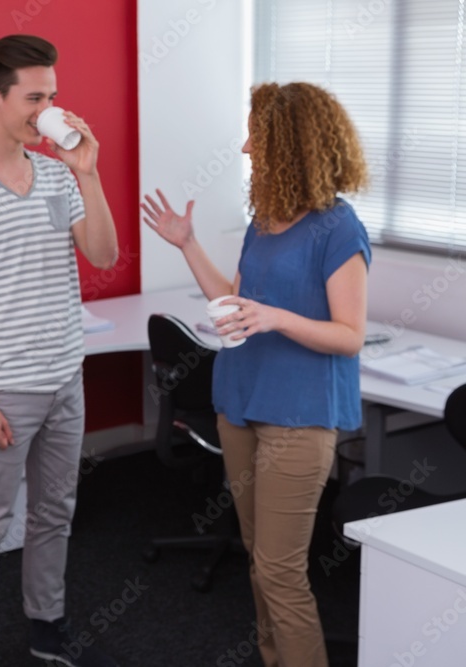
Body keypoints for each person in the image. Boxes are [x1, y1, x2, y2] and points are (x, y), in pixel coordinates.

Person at [142, 81, 370, 667]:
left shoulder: (338, 229)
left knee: (279, 570)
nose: (245, 148)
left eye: (255, 136)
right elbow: (238, 302)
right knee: (256, 556)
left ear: (288, 145)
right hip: (241, 404)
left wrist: (276, 317)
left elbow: (350, 334)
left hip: (301, 414)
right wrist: (188, 245)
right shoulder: (263, 222)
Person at [0, 34, 120, 667]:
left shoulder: (60, 175)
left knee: (54, 514)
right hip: (2, 388)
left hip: (66, 376)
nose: (47, 111)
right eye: (34, 98)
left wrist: (89, 174)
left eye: (53, 97)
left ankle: (46, 623)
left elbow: (104, 255)